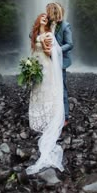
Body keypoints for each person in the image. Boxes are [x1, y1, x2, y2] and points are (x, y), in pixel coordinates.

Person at [26, 13, 65, 175]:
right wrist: (29, 66)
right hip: (37, 65)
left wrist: (50, 50)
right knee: (36, 91)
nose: (43, 18)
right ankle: (36, 118)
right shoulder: (35, 34)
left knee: (47, 90)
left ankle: (48, 118)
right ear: (37, 20)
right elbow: (34, 49)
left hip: (46, 67)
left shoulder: (48, 34)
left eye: (45, 17)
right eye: (40, 17)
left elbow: (50, 53)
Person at [42, 3, 73, 126]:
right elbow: (31, 34)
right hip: (46, 61)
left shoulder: (65, 26)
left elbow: (70, 44)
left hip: (60, 62)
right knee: (48, 88)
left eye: (48, 11)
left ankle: (65, 117)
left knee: (61, 88)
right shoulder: (46, 24)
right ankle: (51, 113)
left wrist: (56, 50)